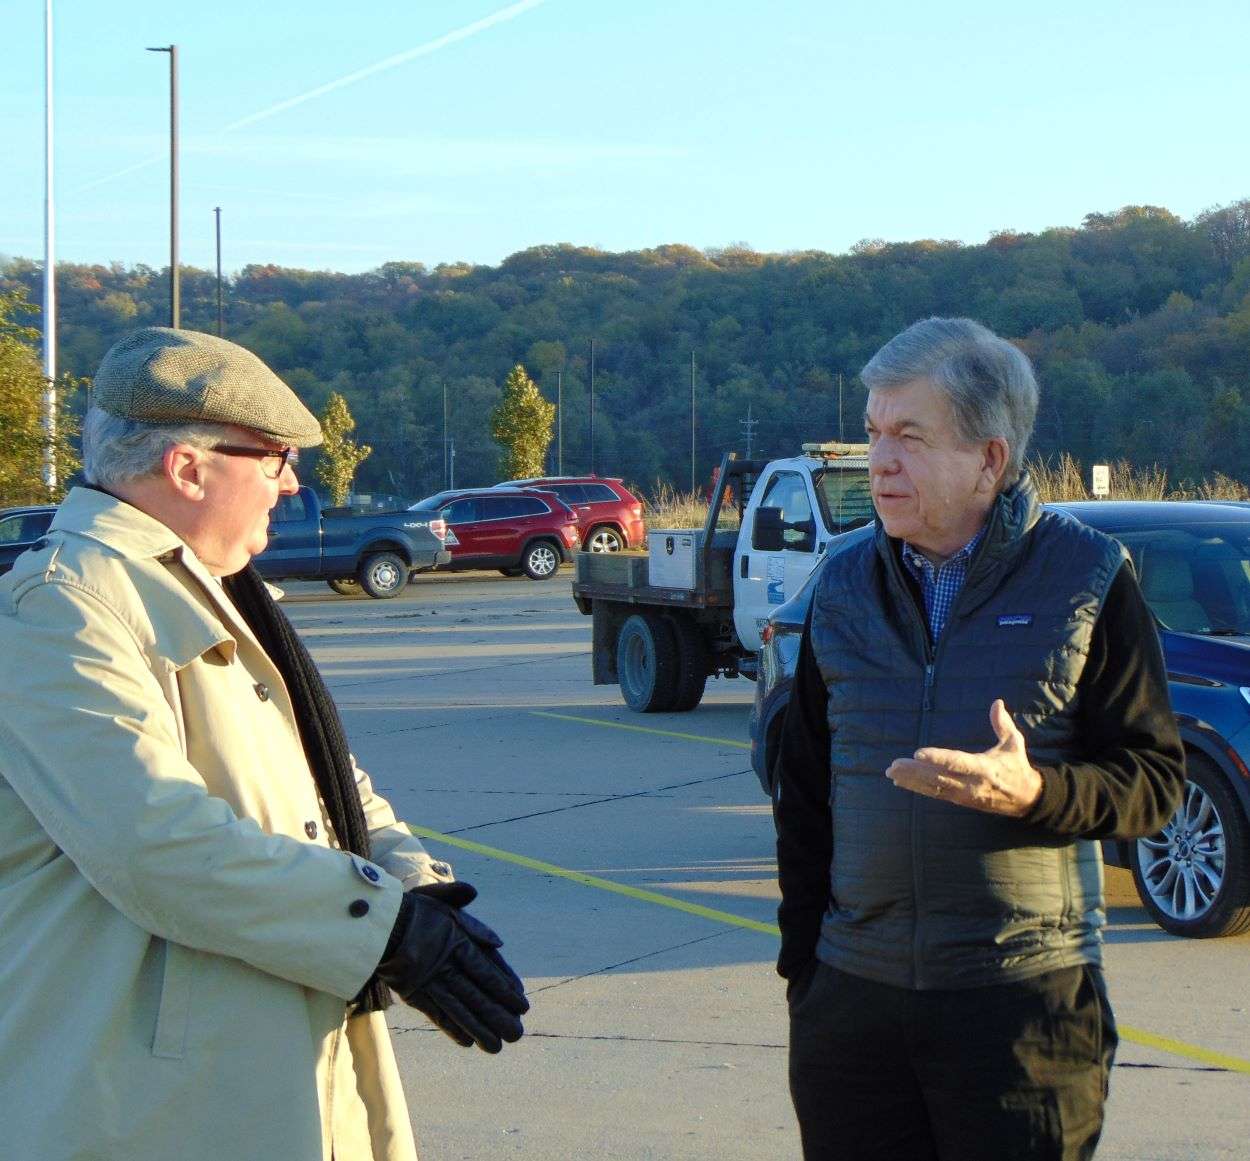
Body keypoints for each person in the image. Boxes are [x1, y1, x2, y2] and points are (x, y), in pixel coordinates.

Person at [0, 327, 528, 1161]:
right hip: (144, 1112)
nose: (291, 484)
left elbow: (329, 784)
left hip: (267, 1075)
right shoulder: (63, 605)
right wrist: (384, 928)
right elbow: (153, 841)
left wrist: (416, 892)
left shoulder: (215, 590)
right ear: (187, 467)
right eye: (275, 458)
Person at [774, 317, 1186, 1161]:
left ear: (989, 460)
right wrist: (805, 977)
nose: (879, 460)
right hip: (854, 1009)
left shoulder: (1088, 576)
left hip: (1021, 1011)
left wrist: (1037, 793)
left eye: (910, 437)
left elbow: (1155, 781)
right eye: (874, 432)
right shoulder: (840, 583)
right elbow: (803, 793)